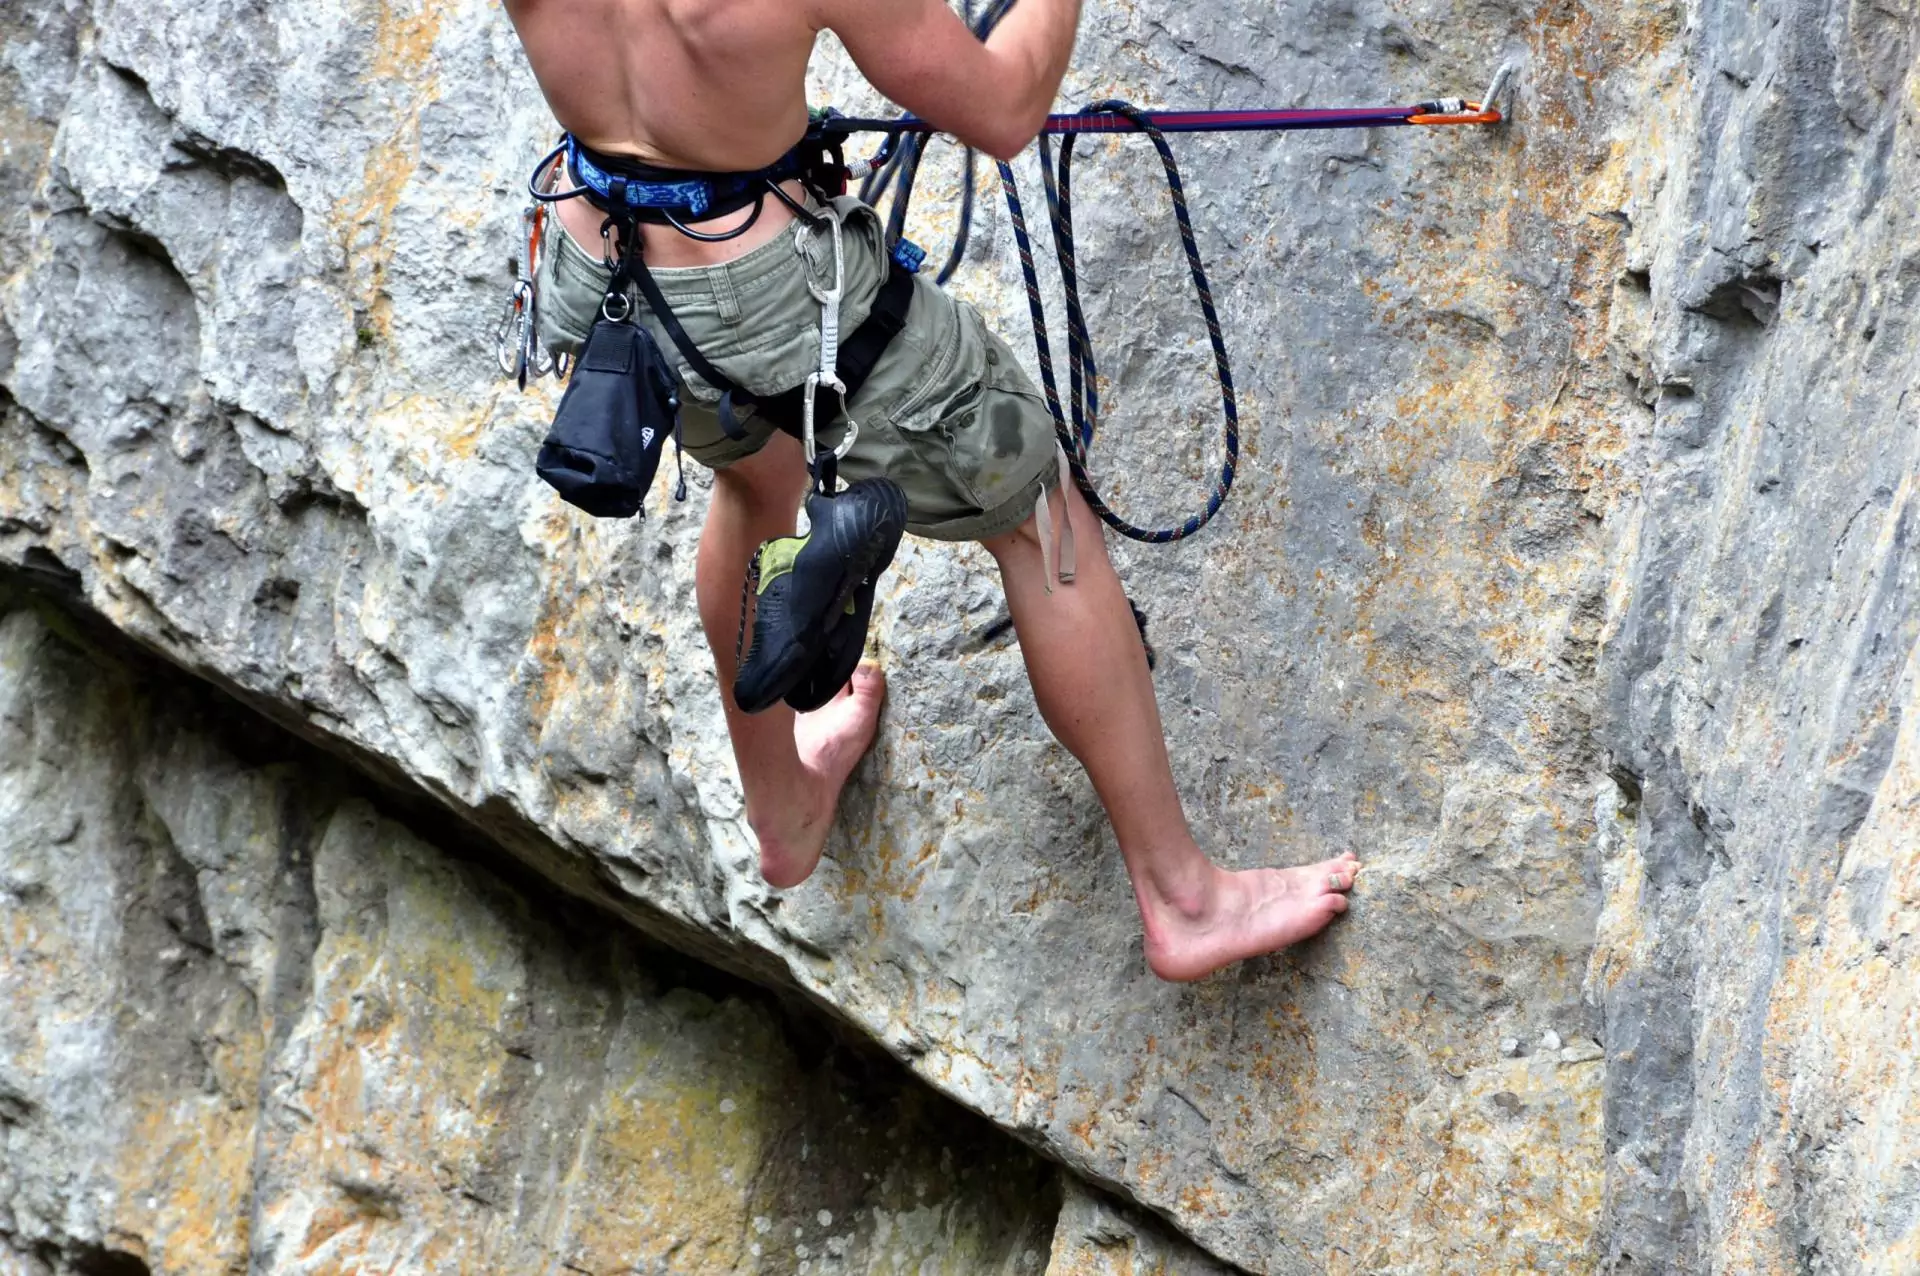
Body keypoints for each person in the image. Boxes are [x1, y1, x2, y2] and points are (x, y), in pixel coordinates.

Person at [503, 0, 1360, 980]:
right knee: (1042, 521)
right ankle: (1183, 898)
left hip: (609, 270)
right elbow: (1002, 109)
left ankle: (781, 810)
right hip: (780, 297)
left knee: (751, 475)